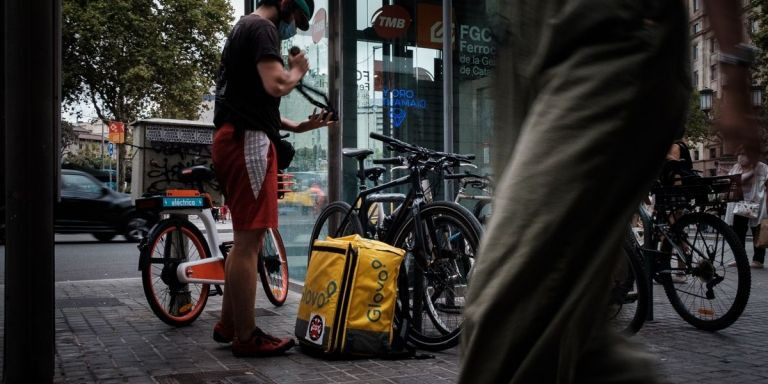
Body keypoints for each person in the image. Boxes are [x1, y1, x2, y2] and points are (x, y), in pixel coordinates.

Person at [459, 1, 756, 383]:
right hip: (523, 50)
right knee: (574, 339)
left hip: (607, 40)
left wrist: (735, 71)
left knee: (505, 313)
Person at [211, 0, 333, 357]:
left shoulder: (244, 28)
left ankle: (229, 324)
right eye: (296, 17)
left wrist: (298, 125)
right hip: (247, 141)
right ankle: (246, 337)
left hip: (234, 136)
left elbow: (249, 98)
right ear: (284, 4)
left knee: (243, 240)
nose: (295, 27)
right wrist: (296, 70)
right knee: (250, 242)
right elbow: (276, 84)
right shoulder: (263, 29)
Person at [726, 147, 768, 269]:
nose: (741, 156)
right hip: (739, 204)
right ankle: (739, 258)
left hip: (758, 204)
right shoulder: (736, 167)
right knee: (738, 232)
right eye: (739, 154)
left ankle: (758, 260)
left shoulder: (762, 167)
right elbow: (729, 182)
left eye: (744, 154)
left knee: (758, 231)